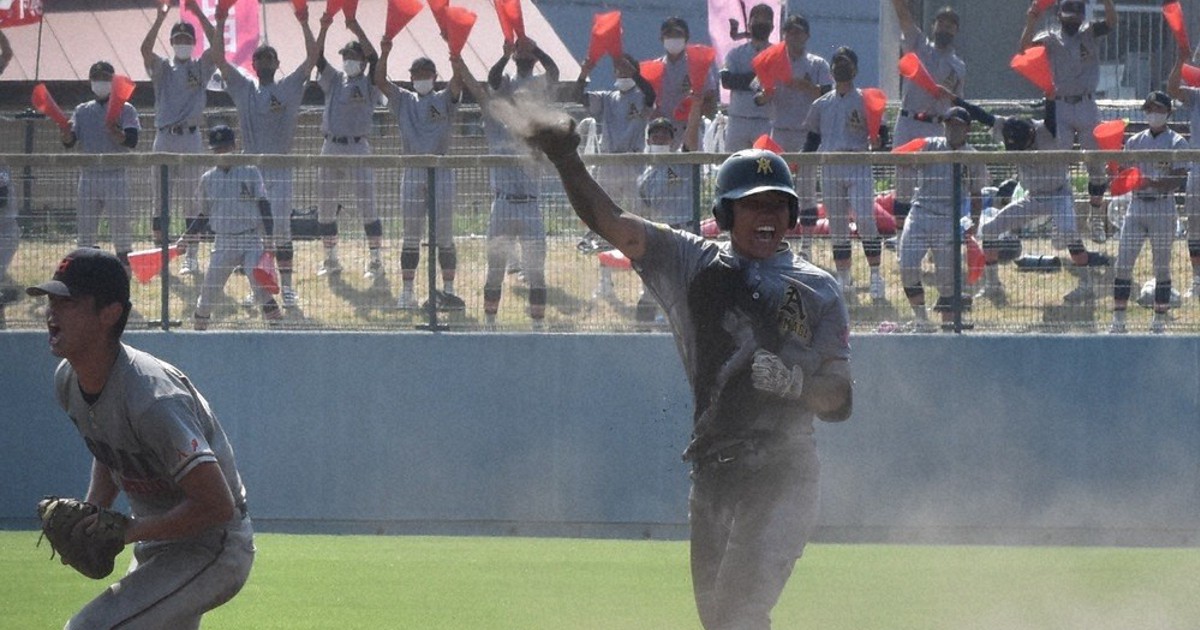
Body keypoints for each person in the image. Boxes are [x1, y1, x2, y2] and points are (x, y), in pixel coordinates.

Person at [527, 115, 853, 628]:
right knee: (718, 619)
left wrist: (795, 385)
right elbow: (614, 223)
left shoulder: (818, 288)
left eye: (777, 204)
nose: (766, 215)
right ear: (725, 213)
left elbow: (840, 398)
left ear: (792, 214)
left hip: (784, 469)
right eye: (752, 204)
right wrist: (566, 158)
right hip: (713, 470)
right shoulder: (690, 261)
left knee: (739, 614)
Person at [25, 247, 254, 628]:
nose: (52, 312)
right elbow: (109, 448)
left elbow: (217, 505)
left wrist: (128, 530)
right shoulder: (68, 380)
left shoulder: (152, 398)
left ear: (109, 313)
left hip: (213, 545)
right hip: (160, 543)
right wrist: (94, 512)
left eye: (68, 302)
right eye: (51, 300)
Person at [954, 97, 1108, 306]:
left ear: (1031, 134)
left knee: (1068, 233)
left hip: (1058, 194)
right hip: (1032, 196)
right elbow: (982, 116)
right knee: (990, 229)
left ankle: (1086, 285)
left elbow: (1051, 114)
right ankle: (992, 285)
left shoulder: (1047, 131)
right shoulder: (1008, 127)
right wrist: (954, 99)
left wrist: (1050, 96)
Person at [213, 6, 317, 309]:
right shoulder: (244, 88)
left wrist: (305, 22)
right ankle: (258, 289)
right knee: (254, 232)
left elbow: (312, 57)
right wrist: (220, 20)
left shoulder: (288, 88)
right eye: (260, 58)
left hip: (280, 169)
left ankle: (288, 288)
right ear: (253, 64)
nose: (265, 61)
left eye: (270, 57)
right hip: (251, 171)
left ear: (278, 64)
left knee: (281, 231)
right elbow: (218, 58)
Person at [457, 36, 559, 328]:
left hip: (530, 205)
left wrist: (533, 49)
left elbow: (553, 74)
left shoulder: (536, 130)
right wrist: (505, 55)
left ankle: (537, 325)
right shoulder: (496, 126)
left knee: (536, 271)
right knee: (495, 269)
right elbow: (489, 83)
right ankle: (490, 322)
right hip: (502, 203)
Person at [376, 40, 466, 311]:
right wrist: (385, 52)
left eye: (426, 74)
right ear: (411, 77)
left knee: (444, 235)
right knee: (411, 235)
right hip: (413, 169)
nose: (421, 79)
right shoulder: (404, 100)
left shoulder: (443, 99)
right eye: (417, 75)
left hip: (440, 168)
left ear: (435, 77)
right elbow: (379, 81)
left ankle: (448, 291)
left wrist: (455, 59)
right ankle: (407, 292)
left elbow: (457, 84)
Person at [1020, 0, 1118, 242]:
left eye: (1076, 15)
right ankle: (1060, 220)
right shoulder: (1049, 38)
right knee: (1056, 160)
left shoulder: (1089, 32)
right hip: (1060, 103)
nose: (1072, 19)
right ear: (1059, 16)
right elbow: (1023, 51)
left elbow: (1111, 22)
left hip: (1086, 102)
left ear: (1082, 16)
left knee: (1096, 162)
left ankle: (1096, 217)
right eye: (1068, 14)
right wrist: (1031, 20)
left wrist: (1107, 2)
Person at [801, 46, 887, 301]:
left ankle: (875, 274)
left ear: (856, 69)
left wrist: (879, 143)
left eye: (846, 63)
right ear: (831, 70)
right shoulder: (821, 104)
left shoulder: (866, 100)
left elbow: (882, 135)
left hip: (858, 162)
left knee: (864, 218)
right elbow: (812, 139)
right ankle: (843, 277)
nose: (841, 67)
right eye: (837, 63)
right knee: (837, 223)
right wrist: (799, 161)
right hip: (830, 165)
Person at [142, 0, 218, 277]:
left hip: (190, 138)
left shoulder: (201, 67)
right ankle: (160, 256)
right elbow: (145, 50)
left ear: (194, 43)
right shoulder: (163, 68)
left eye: (187, 39)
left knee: (192, 200)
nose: (183, 43)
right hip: (164, 137)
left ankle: (191, 257)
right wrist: (160, 19)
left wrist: (198, 13)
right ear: (172, 42)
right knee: (160, 200)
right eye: (178, 39)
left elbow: (218, 46)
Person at [895, 107, 989, 331]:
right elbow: (901, 157)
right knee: (907, 266)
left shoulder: (973, 156)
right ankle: (921, 320)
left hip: (950, 218)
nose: (952, 129)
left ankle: (949, 327)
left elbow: (977, 194)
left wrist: (974, 224)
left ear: (967, 129)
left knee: (948, 279)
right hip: (920, 212)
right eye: (948, 124)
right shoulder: (930, 145)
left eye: (957, 125)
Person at [181, 126, 281, 330]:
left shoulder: (250, 171)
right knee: (209, 291)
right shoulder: (208, 178)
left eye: (225, 148)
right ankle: (198, 332)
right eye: (217, 150)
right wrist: (186, 236)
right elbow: (203, 214)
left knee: (259, 283)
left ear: (234, 146)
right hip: (223, 240)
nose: (222, 153)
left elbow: (264, 204)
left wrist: (269, 237)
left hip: (250, 238)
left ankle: (278, 330)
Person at [574, 52, 656, 300]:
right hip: (608, 163)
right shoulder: (607, 98)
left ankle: (646, 285)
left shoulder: (641, 97)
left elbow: (651, 95)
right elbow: (578, 96)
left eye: (625, 68)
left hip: (633, 164)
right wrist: (584, 73)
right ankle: (605, 282)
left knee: (639, 222)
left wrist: (635, 74)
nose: (621, 73)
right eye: (617, 69)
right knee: (605, 222)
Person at [1108, 91, 1187, 334]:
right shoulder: (1134, 141)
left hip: (1162, 205)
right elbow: (1123, 174)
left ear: (1168, 112)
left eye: (1159, 109)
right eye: (1150, 109)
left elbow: (1177, 179)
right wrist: (1115, 171)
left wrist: (1150, 182)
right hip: (1137, 204)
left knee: (1161, 265)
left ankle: (1159, 321)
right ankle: (1119, 320)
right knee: (1123, 262)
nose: (1154, 114)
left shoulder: (1176, 142)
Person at [313, 13, 383, 280]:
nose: (348, 61)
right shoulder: (334, 79)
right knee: (326, 205)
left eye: (353, 56)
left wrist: (356, 27)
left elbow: (376, 59)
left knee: (367, 205)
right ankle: (331, 259)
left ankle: (375, 261)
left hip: (358, 146)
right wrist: (323, 28)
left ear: (362, 61)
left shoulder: (369, 83)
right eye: (345, 56)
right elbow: (318, 58)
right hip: (331, 145)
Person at [888, 0, 965, 228]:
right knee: (903, 182)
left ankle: (931, 233)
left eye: (950, 25)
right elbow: (904, 17)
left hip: (936, 125)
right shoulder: (919, 45)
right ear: (933, 25)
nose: (945, 28)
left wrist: (948, 96)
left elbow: (957, 102)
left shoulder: (958, 65)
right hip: (909, 119)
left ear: (956, 31)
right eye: (941, 23)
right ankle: (901, 238)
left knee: (934, 182)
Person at [61, 62, 141, 268]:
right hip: (89, 174)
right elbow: (69, 142)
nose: (100, 82)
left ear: (113, 82)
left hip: (115, 173)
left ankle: (124, 268)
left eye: (105, 78)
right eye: (96, 78)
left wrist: (115, 131)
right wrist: (66, 133)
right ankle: (83, 268)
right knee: (86, 227)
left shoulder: (125, 108)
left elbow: (132, 140)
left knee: (120, 227)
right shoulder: (82, 110)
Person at [765, 15, 830, 258]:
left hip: (807, 133)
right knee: (777, 187)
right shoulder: (774, 62)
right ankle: (777, 240)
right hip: (780, 130)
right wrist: (765, 92)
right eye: (790, 32)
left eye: (799, 32)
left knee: (807, 189)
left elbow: (827, 95)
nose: (794, 36)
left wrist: (804, 86)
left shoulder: (817, 64)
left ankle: (807, 245)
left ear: (807, 35)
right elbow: (759, 94)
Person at [633, 109, 703, 324]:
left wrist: (696, 106)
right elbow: (644, 210)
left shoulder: (681, 161)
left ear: (672, 140)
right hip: (660, 233)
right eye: (655, 135)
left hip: (685, 230)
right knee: (651, 287)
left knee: (687, 284)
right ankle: (642, 330)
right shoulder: (644, 176)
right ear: (648, 140)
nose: (660, 138)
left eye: (665, 134)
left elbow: (691, 140)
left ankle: (690, 330)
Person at [1165, 53, 1200, 299]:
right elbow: (1172, 88)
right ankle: (1198, 279)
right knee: (1196, 227)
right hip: (1198, 169)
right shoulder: (1196, 96)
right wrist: (1181, 59)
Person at [654, 16, 718, 146]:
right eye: (669, 35)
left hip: (690, 130)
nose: (673, 39)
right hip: (662, 132)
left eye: (678, 34)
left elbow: (710, 98)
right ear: (661, 38)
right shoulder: (655, 67)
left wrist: (696, 107)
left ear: (686, 38)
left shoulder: (698, 65)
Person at [720, 3, 776, 151]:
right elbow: (727, 81)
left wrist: (745, 79)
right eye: (757, 20)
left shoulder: (777, 55)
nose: (760, 24)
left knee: (764, 162)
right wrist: (759, 79)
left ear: (772, 27)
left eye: (765, 21)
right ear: (749, 25)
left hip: (765, 121)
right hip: (738, 120)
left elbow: (778, 82)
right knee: (735, 162)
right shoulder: (736, 54)